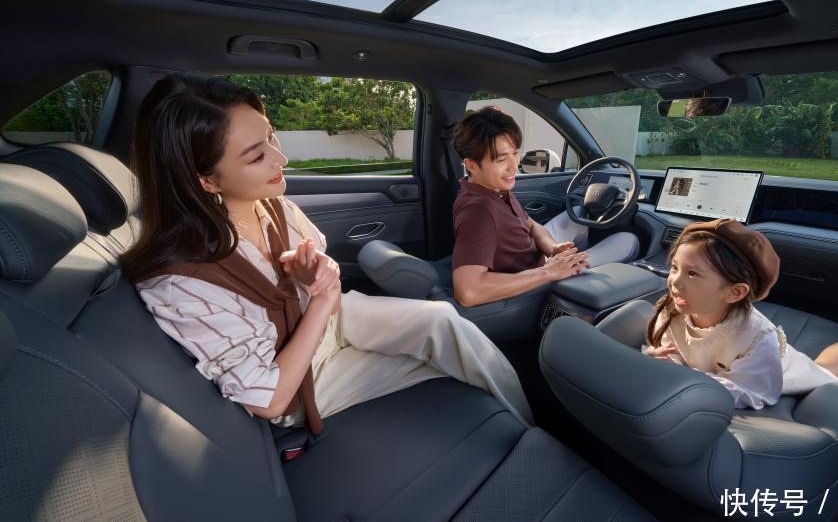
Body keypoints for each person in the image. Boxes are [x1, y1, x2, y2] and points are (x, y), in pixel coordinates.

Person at [120, 74, 533, 434]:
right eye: (257, 155)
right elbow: (268, 399)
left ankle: (529, 425)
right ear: (206, 181)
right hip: (302, 378)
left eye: (271, 136)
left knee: (443, 320)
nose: (281, 159)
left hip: (329, 324)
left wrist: (320, 279)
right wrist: (320, 297)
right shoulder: (181, 282)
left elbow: (328, 282)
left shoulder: (274, 208)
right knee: (445, 369)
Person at [642, 218, 838, 409]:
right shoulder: (670, 310)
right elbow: (671, 351)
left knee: (826, 368)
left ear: (734, 292)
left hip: (771, 368)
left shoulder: (758, 337)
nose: (674, 281)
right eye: (675, 267)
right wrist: (662, 361)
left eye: (692, 273)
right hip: (712, 370)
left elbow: (749, 391)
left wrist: (686, 376)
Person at [450, 106, 640, 307]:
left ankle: (578, 264)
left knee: (579, 213)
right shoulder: (478, 212)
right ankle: (582, 273)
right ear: (471, 165)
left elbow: (530, 225)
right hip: (536, 277)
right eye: (501, 159)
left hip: (540, 260)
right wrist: (549, 271)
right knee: (629, 240)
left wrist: (552, 248)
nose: (514, 166)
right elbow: (468, 292)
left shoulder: (494, 188)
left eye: (515, 153)